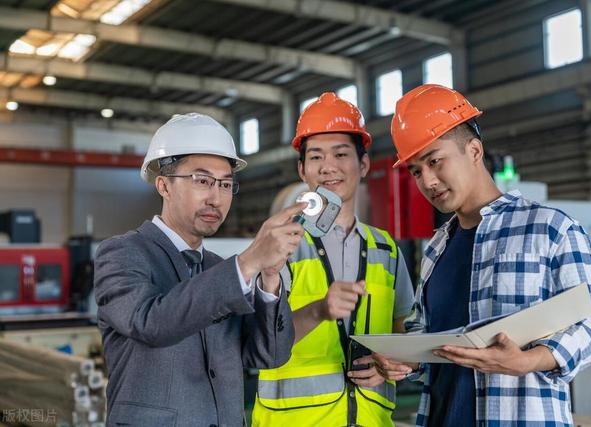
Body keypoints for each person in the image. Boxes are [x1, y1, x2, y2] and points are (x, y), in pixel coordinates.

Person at [373, 84, 591, 426]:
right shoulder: (437, 247)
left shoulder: (549, 229)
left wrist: (529, 361)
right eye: (415, 170)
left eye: (434, 161)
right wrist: (407, 361)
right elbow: (425, 332)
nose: (427, 180)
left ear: (473, 150)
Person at [94, 113, 305, 427]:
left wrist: (270, 277)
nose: (215, 197)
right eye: (202, 181)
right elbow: (152, 323)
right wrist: (247, 263)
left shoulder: (221, 271)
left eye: (225, 184)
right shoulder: (122, 254)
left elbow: (269, 355)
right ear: (163, 185)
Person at [251, 92, 415, 427]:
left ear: (363, 165)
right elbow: (257, 340)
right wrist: (320, 311)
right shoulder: (280, 243)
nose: (328, 167)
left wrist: (400, 362)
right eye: (316, 157)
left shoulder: (386, 249)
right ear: (302, 169)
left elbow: (404, 330)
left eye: (341, 154)